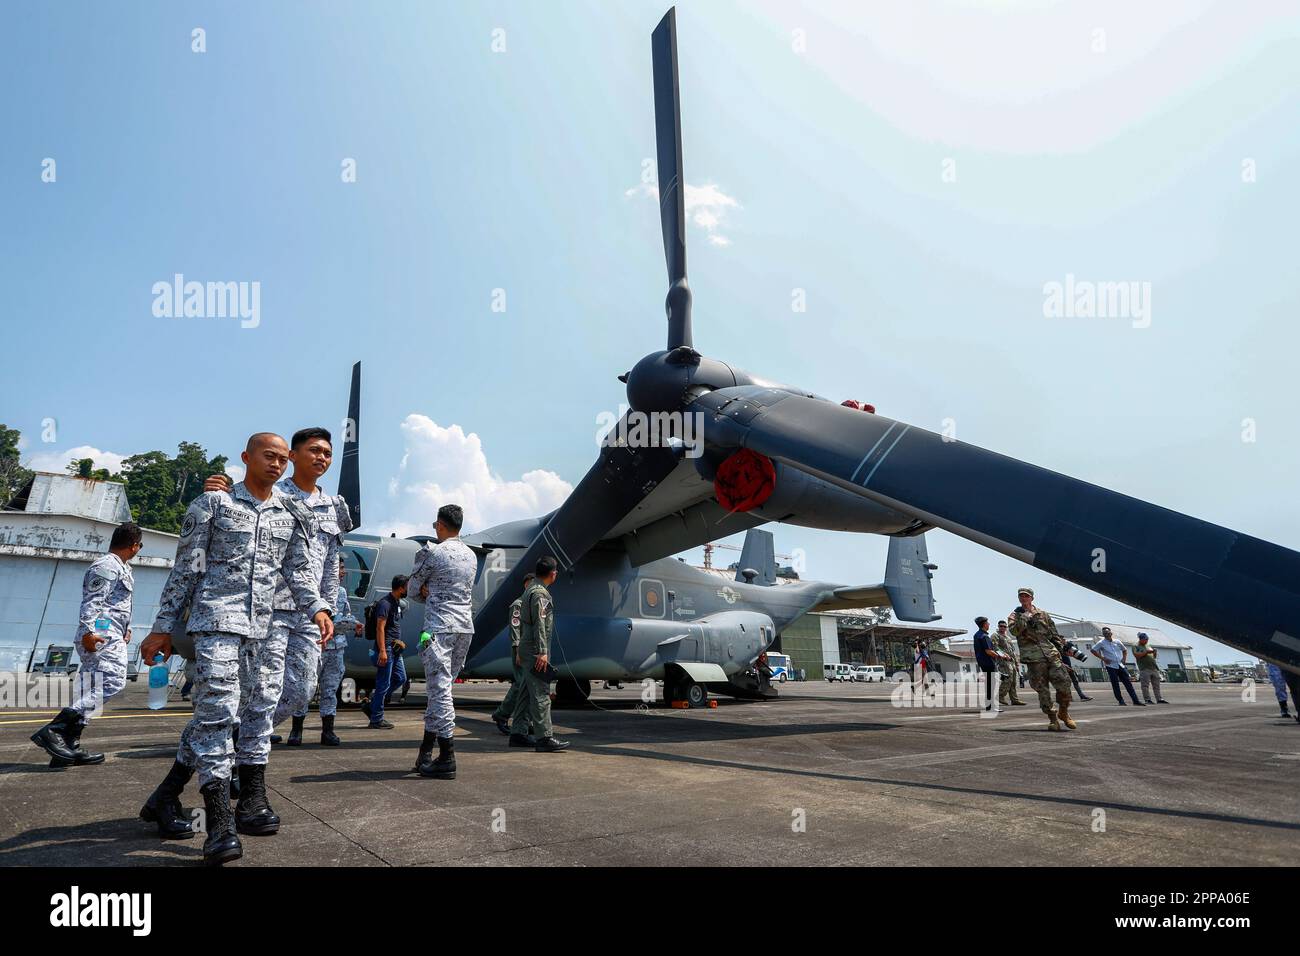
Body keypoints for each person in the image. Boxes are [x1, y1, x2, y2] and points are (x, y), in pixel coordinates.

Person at [137, 432, 333, 866]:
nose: (278, 465)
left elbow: (299, 571)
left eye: (283, 460)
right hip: (216, 624)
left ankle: (218, 798)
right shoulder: (214, 505)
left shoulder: (289, 514)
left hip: (264, 627)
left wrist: (317, 606)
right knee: (219, 712)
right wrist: (162, 628)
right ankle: (220, 820)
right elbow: (185, 569)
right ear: (246, 457)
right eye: (270, 457)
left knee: (260, 708)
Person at [206, 428, 352, 748]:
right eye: (314, 451)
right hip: (270, 605)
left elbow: (330, 564)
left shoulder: (334, 507)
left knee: (302, 691)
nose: (321, 458)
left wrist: (326, 609)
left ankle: (236, 732)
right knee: (261, 686)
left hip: (310, 613)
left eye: (327, 453)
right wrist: (221, 491)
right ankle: (239, 751)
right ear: (293, 456)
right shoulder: (273, 492)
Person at [31, 521, 144, 766]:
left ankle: (67, 749)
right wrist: (87, 632)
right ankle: (55, 730)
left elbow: (116, 605)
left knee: (89, 689)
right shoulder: (106, 566)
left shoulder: (123, 567)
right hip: (100, 636)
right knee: (113, 681)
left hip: (112, 633)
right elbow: (93, 601)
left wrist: (127, 628)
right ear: (134, 546)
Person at [408, 504, 477, 779]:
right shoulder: (471, 556)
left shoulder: (433, 553)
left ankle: (447, 756)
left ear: (439, 525)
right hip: (464, 629)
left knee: (440, 692)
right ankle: (426, 752)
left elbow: (412, 589)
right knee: (441, 690)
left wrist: (427, 592)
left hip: (438, 628)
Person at [511, 556, 570, 753]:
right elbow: (539, 624)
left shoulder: (530, 590)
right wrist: (542, 652)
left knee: (526, 693)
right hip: (535, 649)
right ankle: (544, 737)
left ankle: (518, 733)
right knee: (541, 692)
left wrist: (521, 649)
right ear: (553, 574)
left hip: (527, 647)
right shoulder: (540, 594)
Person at [1007, 587, 1076, 731]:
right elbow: (1014, 632)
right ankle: (1052, 718)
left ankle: (1064, 712)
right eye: (1021, 596)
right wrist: (1024, 618)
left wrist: (1063, 650)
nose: (1023, 598)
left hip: (1051, 654)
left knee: (1064, 683)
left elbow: (1053, 634)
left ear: (1032, 598)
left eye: (1026, 596)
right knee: (1042, 690)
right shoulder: (1014, 615)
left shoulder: (1043, 614)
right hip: (1034, 658)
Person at [319, 557, 362, 744]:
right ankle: (296, 731)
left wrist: (354, 624)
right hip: (318, 645)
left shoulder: (343, 592)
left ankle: (327, 732)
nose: (343, 572)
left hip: (337, 647)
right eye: (340, 568)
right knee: (306, 688)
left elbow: (346, 615)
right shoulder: (315, 591)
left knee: (330, 690)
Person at [491, 573, 535, 736]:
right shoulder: (518, 605)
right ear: (526, 585)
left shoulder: (534, 604)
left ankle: (525, 721)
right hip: (521, 649)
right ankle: (502, 714)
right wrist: (517, 650)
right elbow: (515, 629)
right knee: (521, 684)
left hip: (533, 650)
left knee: (530, 686)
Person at [365, 575, 408, 729]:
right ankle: (376, 719)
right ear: (401, 587)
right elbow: (380, 628)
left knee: (400, 678)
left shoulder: (396, 603)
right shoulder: (385, 603)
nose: (408, 589)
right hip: (387, 649)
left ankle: (373, 706)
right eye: (407, 586)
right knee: (383, 683)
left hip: (396, 649)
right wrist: (383, 650)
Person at [1091, 627, 1144, 706]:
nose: (1107, 634)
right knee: (1115, 684)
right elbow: (1093, 650)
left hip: (1120, 664)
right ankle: (1121, 701)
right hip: (1111, 666)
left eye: (1108, 633)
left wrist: (1124, 659)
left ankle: (1135, 700)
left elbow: (1124, 650)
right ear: (1103, 635)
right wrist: (1102, 658)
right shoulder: (1101, 643)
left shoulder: (1117, 641)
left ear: (1111, 633)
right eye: (1105, 633)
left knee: (1128, 683)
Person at [991, 619, 1026, 706]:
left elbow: (1013, 651)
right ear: (998, 627)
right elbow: (995, 648)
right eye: (1001, 626)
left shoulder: (1008, 637)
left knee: (1014, 680)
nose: (1002, 628)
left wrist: (1017, 663)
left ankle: (1014, 699)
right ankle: (1000, 695)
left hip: (1012, 661)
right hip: (1003, 660)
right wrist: (1004, 656)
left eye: (1004, 626)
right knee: (1008, 678)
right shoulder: (995, 635)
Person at [972, 616, 1001, 711]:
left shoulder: (977, 635)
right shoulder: (984, 636)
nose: (989, 624)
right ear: (984, 624)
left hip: (983, 663)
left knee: (988, 686)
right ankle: (991, 706)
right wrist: (1000, 656)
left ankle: (989, 706)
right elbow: (988, 651)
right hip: (989, 663)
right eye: (987, 623)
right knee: (991, 686)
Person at [1133, 633, 1169, 704]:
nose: (1146, 641)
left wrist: (1154, 652)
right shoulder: (1136, 646)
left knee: (1156, 685)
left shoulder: (1148, 645)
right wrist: (1146, 652)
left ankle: (1159, 699)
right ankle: (1147, 699)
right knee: (1145, 685)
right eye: (1145, 639)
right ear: (1141, 639)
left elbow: (1154, 657)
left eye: (1147, 639)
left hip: (1154, 667)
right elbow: (1137, 656)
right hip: (1144, 668)